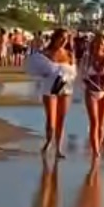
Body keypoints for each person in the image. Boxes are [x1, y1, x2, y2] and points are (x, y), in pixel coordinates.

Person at [34, 28, 75, 158]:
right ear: (55, 38)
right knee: (51, 119)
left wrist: (68, 76)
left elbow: (74, 72)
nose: (64, 41)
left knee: (61, 119)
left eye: (66, 38)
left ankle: (58, 148)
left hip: (66, 88)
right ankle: (48, 141)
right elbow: (37, 69)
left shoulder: (69, 54)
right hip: (50, 89)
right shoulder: (46, 53)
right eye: (61, 38)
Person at [82, 33, 104, 160]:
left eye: (101, 44)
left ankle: (98, 145)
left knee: (101, 124)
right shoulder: (87, 57)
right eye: (96, 44)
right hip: (91, 91)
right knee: (94, 122)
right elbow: (82, 75)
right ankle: (95, 151)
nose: (98, 46)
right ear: (92, 45)